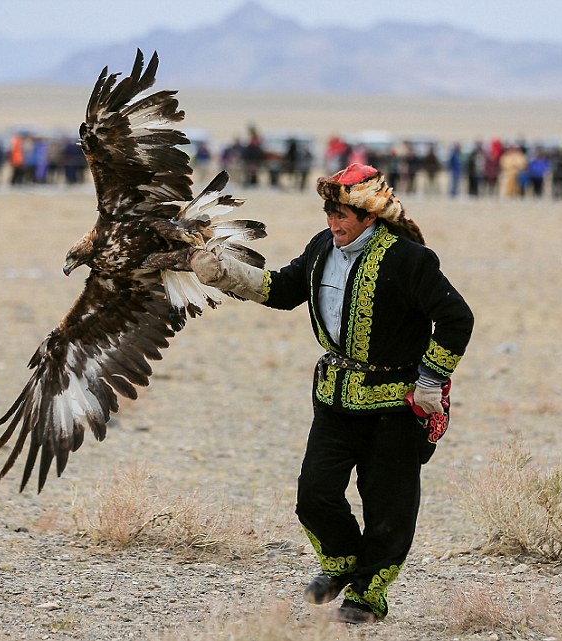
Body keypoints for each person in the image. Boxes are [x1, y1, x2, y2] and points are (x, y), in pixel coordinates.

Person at [188, 163, 474, 624]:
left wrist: (430, 379)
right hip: (334, 399)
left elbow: (458, 318)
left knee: (388, 508)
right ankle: (340, 563)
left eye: (342, 215)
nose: (333, 223)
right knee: (314, 494)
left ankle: (368, 596)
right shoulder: (322, 246)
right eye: (328, 213)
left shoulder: (410, 260)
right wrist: (224, 272)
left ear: (369, 216)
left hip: (395, 406)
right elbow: (282, 289)